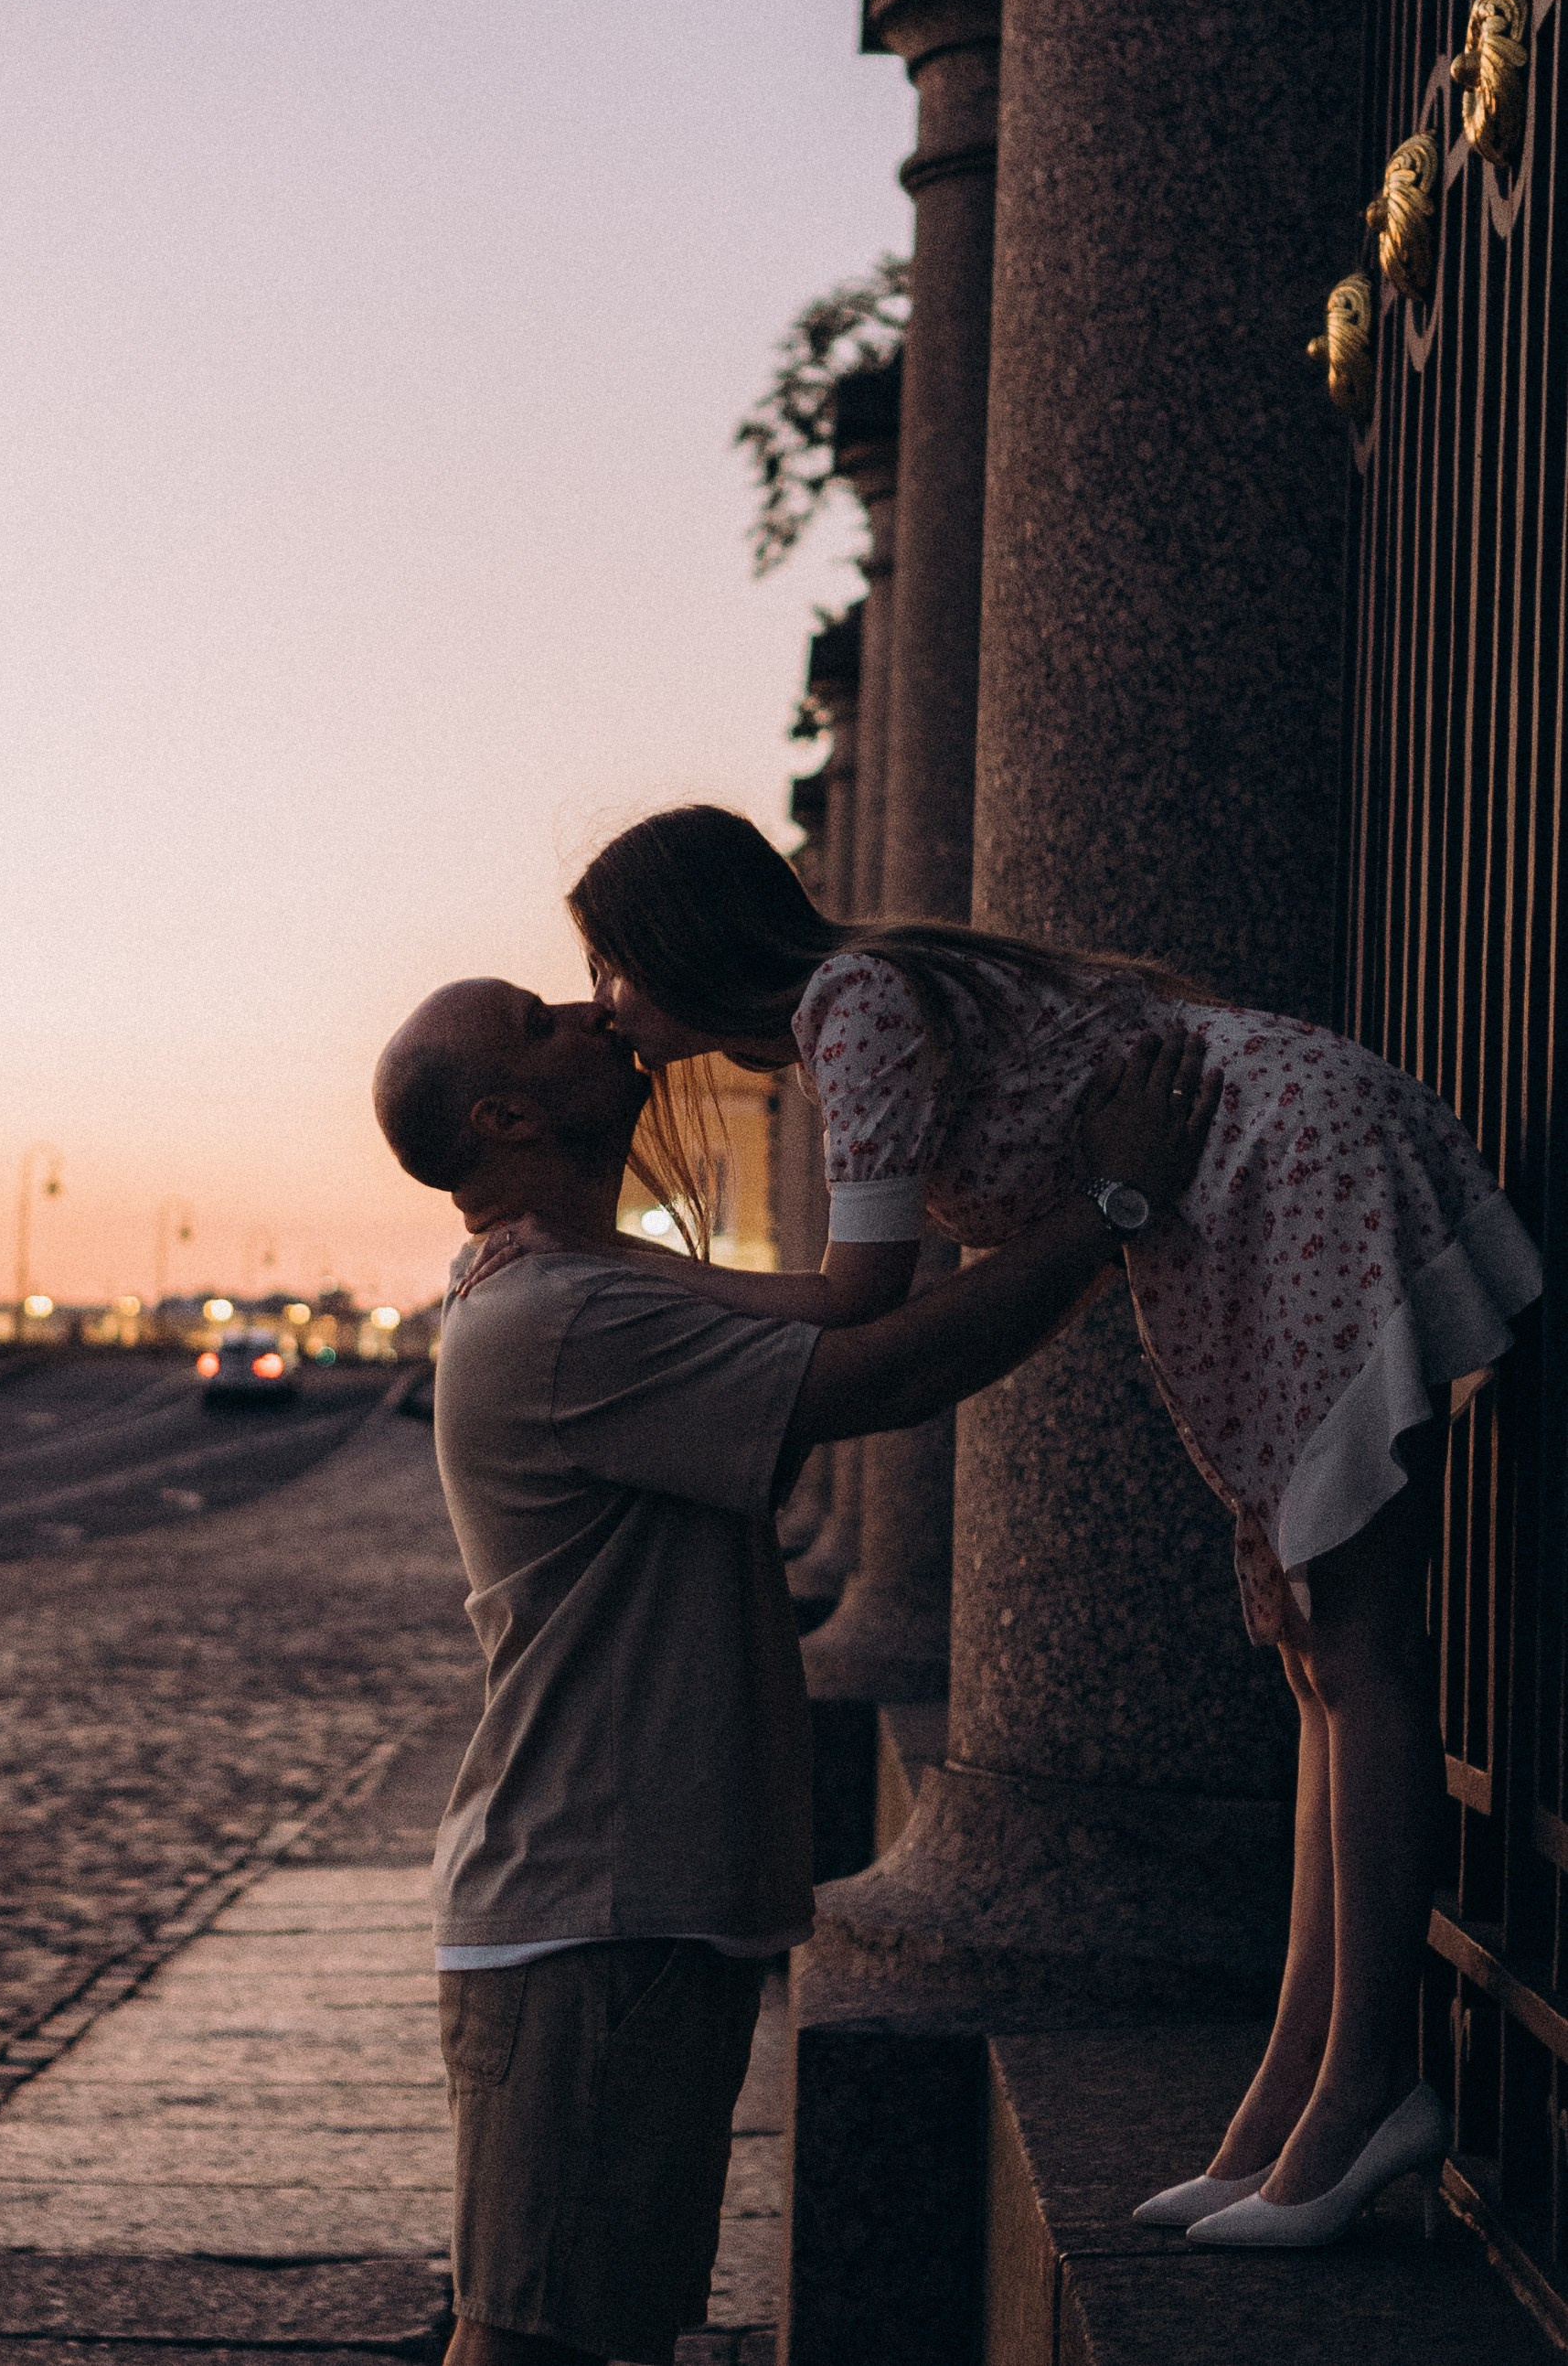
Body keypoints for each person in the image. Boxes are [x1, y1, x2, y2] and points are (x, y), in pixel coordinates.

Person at [550, 802, 1544, 2250]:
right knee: (1322, 1664)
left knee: (1363, 1653)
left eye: (609, 964)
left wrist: (611, 1280)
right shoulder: (858, 1006)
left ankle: (1368, 2086)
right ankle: (1294, 2098)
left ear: (680, 938)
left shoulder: (854, 1004)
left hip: (1288, 1178)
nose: (602, 1001)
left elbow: (860, 1301)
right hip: (1252, 1197)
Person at [372, 974, 1216, 2366]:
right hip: (595, 1910)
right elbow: (876, 1380)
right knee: (533, 2346)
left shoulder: (579, 1286)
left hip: (625, 1903)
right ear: (506, 1116)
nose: (587, 1014)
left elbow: (837, 1313)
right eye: (537, 1023)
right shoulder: (565, 1316)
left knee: (591, 2334)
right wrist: (1105, 1212)